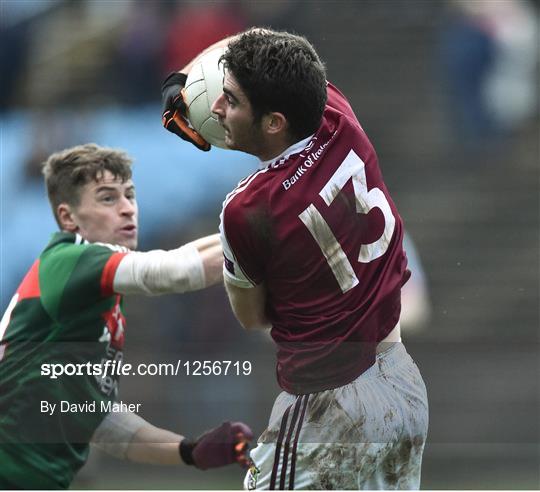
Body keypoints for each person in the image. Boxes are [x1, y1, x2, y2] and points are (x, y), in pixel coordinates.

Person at [162, 29, 428, 490]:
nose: (217, 110)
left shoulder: (247, 209)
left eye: (230, 100)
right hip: (401, 382)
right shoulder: (333, 113)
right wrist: (186, 80)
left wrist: (176, 81)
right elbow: (263, 41)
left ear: (273, 123)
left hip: (327, 410)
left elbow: (251, 316)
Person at [0, 143, 253, 489]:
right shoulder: (69, 260)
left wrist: (190, 451)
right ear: (68, 217)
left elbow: (103, 424)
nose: (127, 209)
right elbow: (175, 270)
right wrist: (266, 231)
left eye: (130, 196)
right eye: (107, 198)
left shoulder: (92, 303)